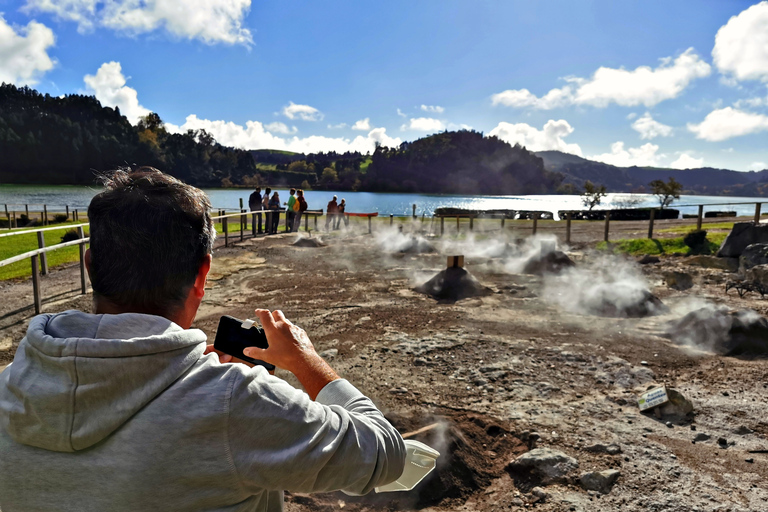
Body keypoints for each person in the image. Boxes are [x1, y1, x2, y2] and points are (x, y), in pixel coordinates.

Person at [0, 168, 405, 512]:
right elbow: (384, 454)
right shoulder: (236, 402)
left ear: (90, 266)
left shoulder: (9, 386)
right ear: (202, 274)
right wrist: (304, 361)